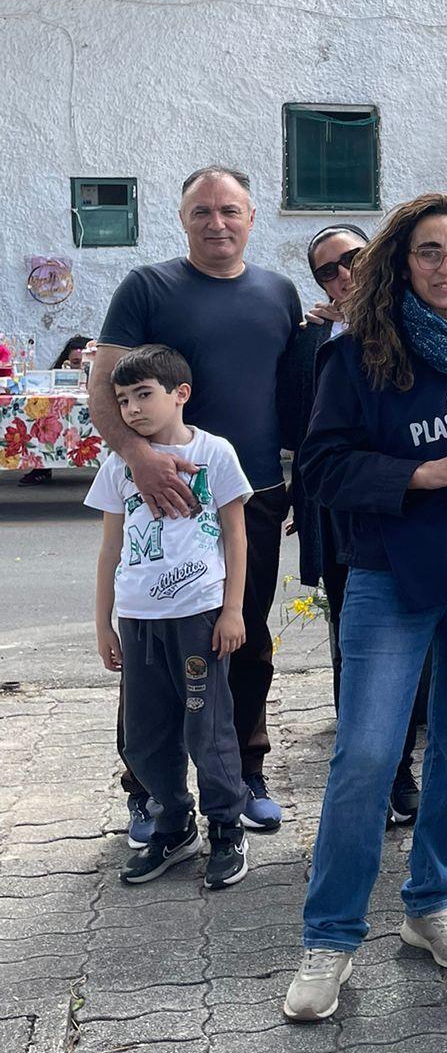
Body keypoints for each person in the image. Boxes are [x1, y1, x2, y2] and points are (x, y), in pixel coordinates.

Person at [284, 194, 447, 1021]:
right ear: (402, 260)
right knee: (365, 755)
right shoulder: (356, 352)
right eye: (429, 252)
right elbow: (319, 468)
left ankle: (430, 903)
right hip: (390, 578)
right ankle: (330, 937)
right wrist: (418, 475)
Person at [91, 167, 303, 839]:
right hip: (163, 494)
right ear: (183, 219)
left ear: (252, 215)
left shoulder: (278, 291)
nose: (217, 223)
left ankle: (245, 772)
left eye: (230, 210)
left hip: (255, 495)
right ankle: (149, 792)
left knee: (242, 636)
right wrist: (139, 458)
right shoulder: (147, 287)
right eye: (203, 211)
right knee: (153, 646)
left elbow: (291, 393)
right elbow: (104, 386)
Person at [86, 346, 253, 891]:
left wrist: (232, 610)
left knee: (207, 728)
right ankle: (174, 825)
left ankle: (227, 826)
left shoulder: (216, 453)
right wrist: (103, 623)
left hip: (198, 619)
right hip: (138, 621)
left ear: (179, 394)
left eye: (143, 395)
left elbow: (236, 536)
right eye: (123, 400)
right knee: (145, 734)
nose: (132, 409)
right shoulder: (120, 466)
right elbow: (110, 549)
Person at [285, 225, 429, 829]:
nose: (344, 273)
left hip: (414, 509)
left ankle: (408, 752)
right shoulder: (314, 340)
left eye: (354, 259)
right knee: (355, 644)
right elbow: (303, 432)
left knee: (421, 631)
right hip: (344, 517)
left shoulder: (419, 323)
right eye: (328, 270)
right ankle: (389, 774)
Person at [16, 335, 92, 486]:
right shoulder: (55, 378)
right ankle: (41, 468)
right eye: (76, 363)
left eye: (86, 364)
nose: (81, 368)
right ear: (66, 362)